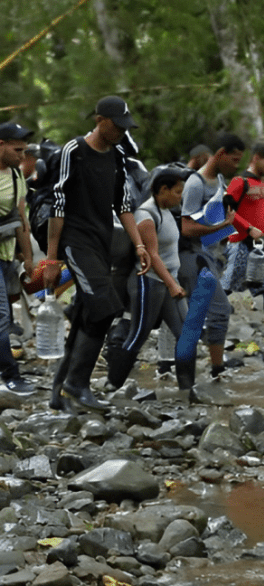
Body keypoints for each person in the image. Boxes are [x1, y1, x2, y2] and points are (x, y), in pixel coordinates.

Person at [42, 96, 151, 413]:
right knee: (105, 306)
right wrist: (51, 259)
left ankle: (58, 392)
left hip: (103, 242)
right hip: (75, 241)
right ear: (100, 120)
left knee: (85, 314)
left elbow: (125, 206)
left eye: (124, 128)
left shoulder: (117, 156)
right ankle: (78, 383)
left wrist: (139, 245)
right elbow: (57, 204)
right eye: (116, 126)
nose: (120, 132)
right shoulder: (73, 151)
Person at [105, 168, 193, 390]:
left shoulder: (166, 212)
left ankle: (187, 389)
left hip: (168, 281)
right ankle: (113, 384)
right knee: (139, 334)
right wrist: (173, 284)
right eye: (177, 191)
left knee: (185, 333)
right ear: (163, 190)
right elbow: (152, 255)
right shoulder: (146, 215)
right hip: (149, 282)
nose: (180, 197)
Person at [179, 133, 244, 379]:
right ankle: (216, 370)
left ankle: (195, 373)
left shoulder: (218, 180)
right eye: (234, 160)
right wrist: (220, 227)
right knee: (219, 310)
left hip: (213, 257)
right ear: (220, 154)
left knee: (199, 314)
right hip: (195, 257)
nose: (236, 166)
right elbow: (186, 227)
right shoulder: (195, 184)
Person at [219, 142, 264, 347]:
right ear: (256, 158)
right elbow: (228, 207)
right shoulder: (239, 181)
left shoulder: (262, 186)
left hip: (261, 245)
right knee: (226, 286)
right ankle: (208, 325)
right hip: (240, 243)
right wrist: (248, 228)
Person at [0, 122, 36, 395]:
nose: (22, 156)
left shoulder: (16, 176)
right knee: (3, 316)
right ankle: (11, 376)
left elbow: (20, 218)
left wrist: (29, 258)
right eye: (17, 149)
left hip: (6, 255)